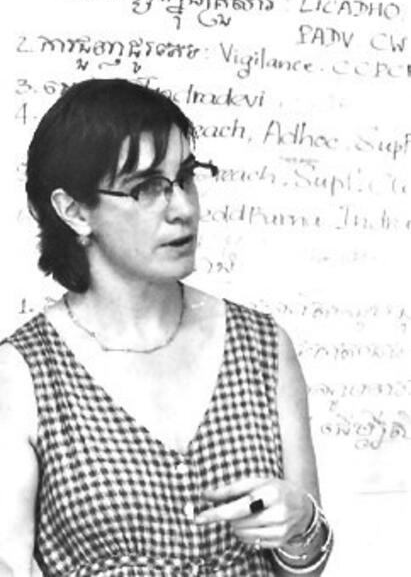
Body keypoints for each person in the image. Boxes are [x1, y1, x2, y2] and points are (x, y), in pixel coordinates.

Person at [0, 78, 333, 576]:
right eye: (147, 188)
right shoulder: (22, 373)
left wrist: (301, 523)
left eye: (186, 177)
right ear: (74, 211)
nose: (183, 208)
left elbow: (302, 565)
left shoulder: (263, 345)